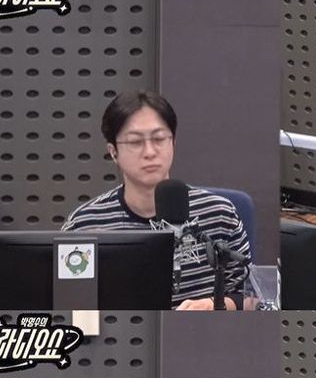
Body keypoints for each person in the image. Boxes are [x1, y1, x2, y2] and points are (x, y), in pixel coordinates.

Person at [62, 90, 251, 310]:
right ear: (113, 152)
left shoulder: (219, 214)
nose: (150, 152)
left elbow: (252, 296)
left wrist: (213, 305)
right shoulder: (84, 225)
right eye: (135, 142)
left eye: (159, 139)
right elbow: (66, 302)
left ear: (174, 143)